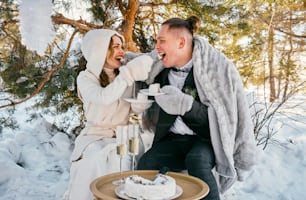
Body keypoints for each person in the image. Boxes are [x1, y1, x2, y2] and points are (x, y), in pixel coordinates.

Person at [137, 16, 257, 199]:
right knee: (147, 161)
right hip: (173, 140)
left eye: (161, 41)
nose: (156, 47)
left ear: (181, 42)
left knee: (197, 160)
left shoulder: (216, 68)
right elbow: (140, 64)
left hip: (205, 141)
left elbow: (231, 115)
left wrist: (187, 106)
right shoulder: (160, 67)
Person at [64, 29, 153, 200]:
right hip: (95, 136)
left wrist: (140, 105)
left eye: (122, 47)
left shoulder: (125, 76)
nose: (122, 52)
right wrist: (128, 75)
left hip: (124, 136)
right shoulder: (86, 78)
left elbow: (131, 110)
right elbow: (103, 98)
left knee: (122, 162)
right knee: (94, 158)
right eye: (116, 47)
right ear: (100, 50)